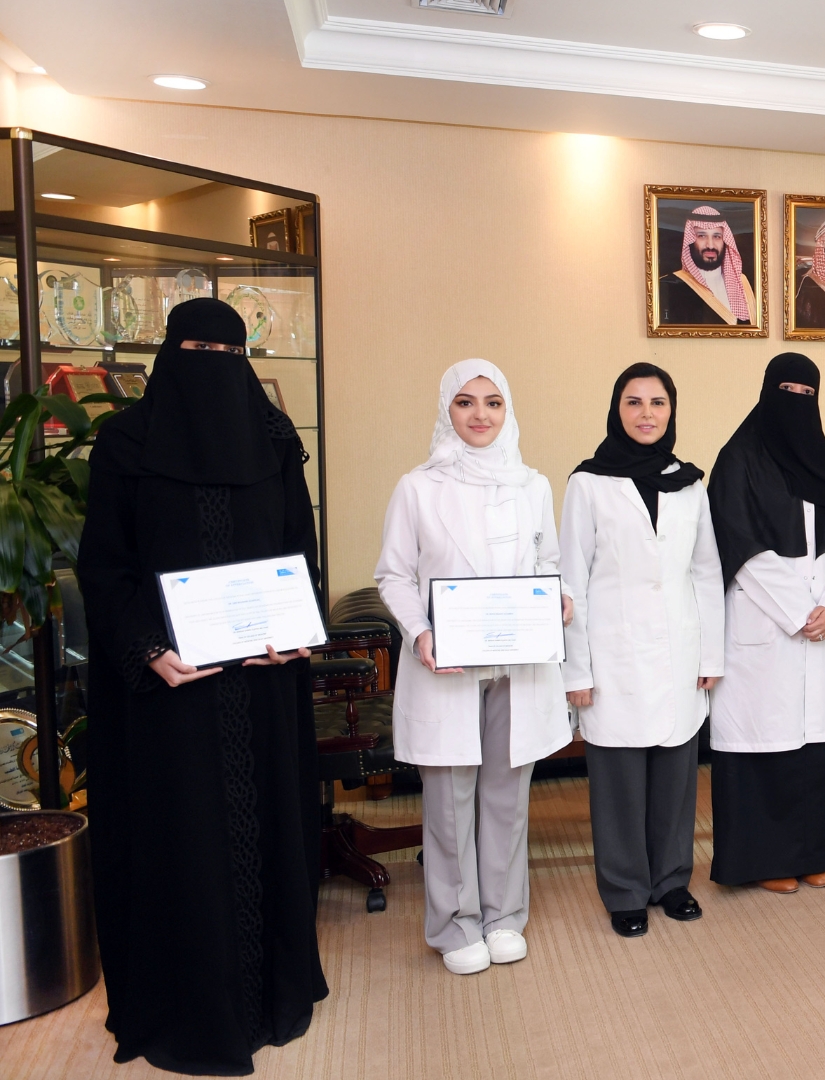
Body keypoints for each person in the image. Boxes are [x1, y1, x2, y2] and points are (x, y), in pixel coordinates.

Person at [78, 298, 327, 1074]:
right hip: (172, 693)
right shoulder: (125, 442)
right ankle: (190, 1009)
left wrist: (297, 632)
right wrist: (149, 649)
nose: (213, 365)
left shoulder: (274, 439)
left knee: (265, 828)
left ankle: (272, 991)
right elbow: (104, 565)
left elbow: (298, 551)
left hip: (260, 680)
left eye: (229, 353)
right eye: (196, 349)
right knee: (183, 843)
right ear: (167, 354)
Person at [374, 360, 574, 974]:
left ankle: (503, 916)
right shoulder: (417, 487)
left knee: (508, 796)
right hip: (448, 668)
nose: (480, 414)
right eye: (465, 402)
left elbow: (547, 563)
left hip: (517, 664)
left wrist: (559, 598)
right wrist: (420, 631)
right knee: (449, 802)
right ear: (447, 410)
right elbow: (394, 575)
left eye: (492, 402)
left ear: (507, 410)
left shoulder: (532, 485)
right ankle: (455, 926)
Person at [560, 363, 722, 938]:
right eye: (634, 402)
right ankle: (625, 889)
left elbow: (706, 572)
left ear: (671, 411)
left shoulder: (690, 483)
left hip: (680, 649)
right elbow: (571, 583)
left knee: (677, 776)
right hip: (613, 652)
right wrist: (576, 670)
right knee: (620, 783)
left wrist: (711, 656)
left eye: (658, 403)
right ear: (617, 409)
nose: (646, 414)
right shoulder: (587, 483)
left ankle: (672, 881)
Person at [707, 354, 825, 894]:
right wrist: (799, 611)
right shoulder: (738, 460)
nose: (797, 403)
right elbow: (738, 542)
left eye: (808, 393)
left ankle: (815, 852)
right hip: (766, 622)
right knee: (766, 746)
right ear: (766, 391)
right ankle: (766, 860)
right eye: (788, 391)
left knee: (821, 750)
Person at [658, 206, 757, 325]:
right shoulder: (669, 285)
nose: (710, 245)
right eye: (702, 236)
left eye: (717, 236)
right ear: (691, 240)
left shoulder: (744, 283)